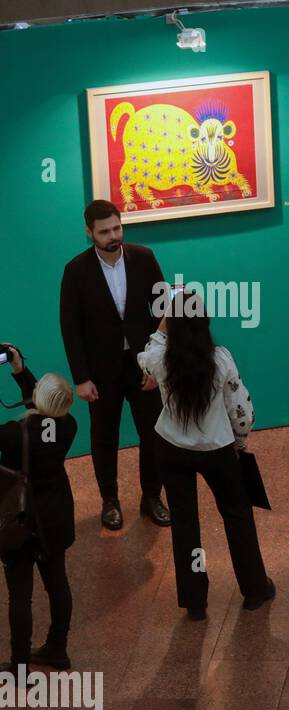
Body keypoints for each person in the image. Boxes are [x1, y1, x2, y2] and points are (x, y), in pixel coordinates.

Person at [137, 292, 273, 621]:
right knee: (237, 515)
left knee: (185, 523)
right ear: (205, 321)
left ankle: (194, 601)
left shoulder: (157, 359)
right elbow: (242, 412)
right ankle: (255, 589)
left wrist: (164, 324)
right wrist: (239, 443)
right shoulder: (221, 359)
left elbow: (149, 349)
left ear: (171, 323)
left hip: (170, 449)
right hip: (216, 451)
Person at [59, 199, 170, 531]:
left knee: (153, 434)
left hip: (142, 366)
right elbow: (70, 327)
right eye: (104, 231)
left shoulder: (144, 258)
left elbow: (164, 309)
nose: (113, 236)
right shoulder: (75, 270)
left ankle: (152, 497)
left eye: (117, 228)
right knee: (104, 437)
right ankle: (110, 501)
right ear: (89, 232)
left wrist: (156, 364)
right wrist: (81, 378)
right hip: (101, 371)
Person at [0, 346, 77, 676]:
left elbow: (34, 407)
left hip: (20, 522)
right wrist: (19, 370)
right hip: (55, 518)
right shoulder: (68, 425)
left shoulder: (13, 434)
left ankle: (19, 667)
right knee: (57, 583)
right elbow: (40, 405)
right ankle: (57, 649)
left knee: (20, 596)